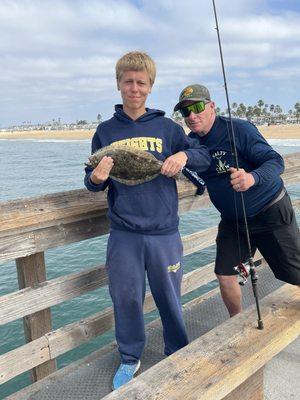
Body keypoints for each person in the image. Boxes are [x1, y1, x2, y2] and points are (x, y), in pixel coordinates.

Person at [84, 54, 210, 390]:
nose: (135, 88)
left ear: (150, 87)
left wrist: (182, 155)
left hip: (164, 232)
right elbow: (92, 182)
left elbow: (203, 156)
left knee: (169, 297)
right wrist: (96, 178)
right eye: (129, 81)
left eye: (141, 82)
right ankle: (130, 356)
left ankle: (177, 350)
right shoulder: (105, 131)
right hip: (123, 233)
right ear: (119, 84)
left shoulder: (169, 128)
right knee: (125, 298)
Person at [173, 83, 300, 317]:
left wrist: (252, 178)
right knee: (224, 273)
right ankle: (236, 321)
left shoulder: (239, 129)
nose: (192, 115)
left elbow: (275, 161)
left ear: (212, 106)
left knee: (294, 273)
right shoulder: (192, 143)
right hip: (234, 220)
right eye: (185, 111)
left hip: (270, 211)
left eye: (198, 107)